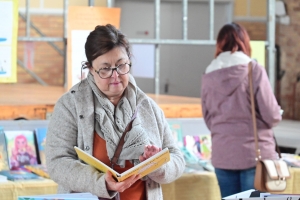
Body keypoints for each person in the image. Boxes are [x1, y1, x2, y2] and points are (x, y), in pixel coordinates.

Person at [45, 24, 185, 200]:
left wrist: (158, 164)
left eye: (121, 66)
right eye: (105, 69)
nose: (115, 75)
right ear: (90, 69)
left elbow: (177, 159)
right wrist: (100, 182)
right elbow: (57, 163)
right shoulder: (70, 105)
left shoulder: (147, 106)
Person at [201, 22, 282, 197]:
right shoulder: (253, 69)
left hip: (223, 155)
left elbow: (208, 119)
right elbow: (272, 114)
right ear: (244, 42)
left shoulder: (208, 74)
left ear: (220, 43)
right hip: (255, 155)